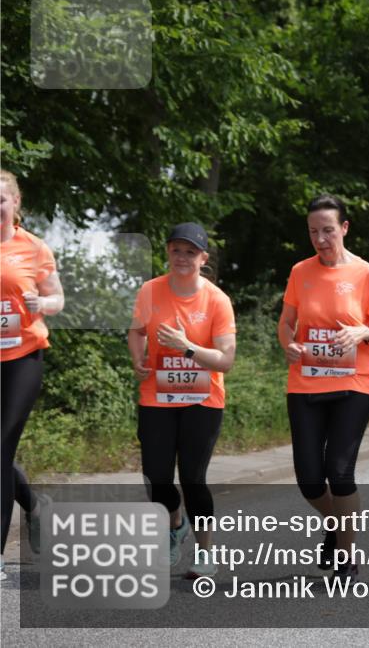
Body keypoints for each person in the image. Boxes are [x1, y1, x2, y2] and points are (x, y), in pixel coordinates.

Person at [278, 194, 369, 584]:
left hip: (354, 382)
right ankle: (338, 524)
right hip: (306, 381)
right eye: (314, 231)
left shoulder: (367, 274)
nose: (321, 238)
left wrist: (365, 331)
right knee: (310, 479)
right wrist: (288, 344)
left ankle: (346, 555)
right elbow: (286, 322)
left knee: (339, 471)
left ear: (344, 228)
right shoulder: (299, 272)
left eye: (328, 230)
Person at [128, 222, 236, 578]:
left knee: (193, 477)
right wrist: (138, 359)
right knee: (156, 476)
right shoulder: (150, 291)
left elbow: (225, 360)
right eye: (177, 250)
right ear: (168, 253)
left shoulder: (217, 300)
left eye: (191, 252)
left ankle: (205, 552)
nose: (182, 257)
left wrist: (186, 347)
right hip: (157, 396)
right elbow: (137, 331)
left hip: (202, 400)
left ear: (203, 258)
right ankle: (175, 523)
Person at [1, 169, 64, 580]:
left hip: (23, 358)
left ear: (15, 203)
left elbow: (58, 298)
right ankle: (36, 505)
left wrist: (41, 301)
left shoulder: (34, 248)